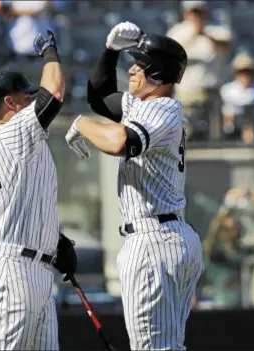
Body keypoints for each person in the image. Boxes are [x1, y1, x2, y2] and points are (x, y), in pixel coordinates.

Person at [65, 22, 204, 350]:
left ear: (157, 75)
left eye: (139, 65)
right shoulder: (143, 105)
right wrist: (109, 51)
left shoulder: (163, 108)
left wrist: (83, 124)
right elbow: (99, 98)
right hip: (164, 236)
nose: (131, 70)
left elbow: (120, 142)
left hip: (156, 241)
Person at [0, 30, 76, 350]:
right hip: (12, 267)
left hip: (32, 267)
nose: (30, 100)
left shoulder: (4, 141)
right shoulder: (9, 132)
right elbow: (54, 93)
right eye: (25, 96)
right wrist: (49, 50)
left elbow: (22, 198)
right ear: (9, 102)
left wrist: (54, 240)